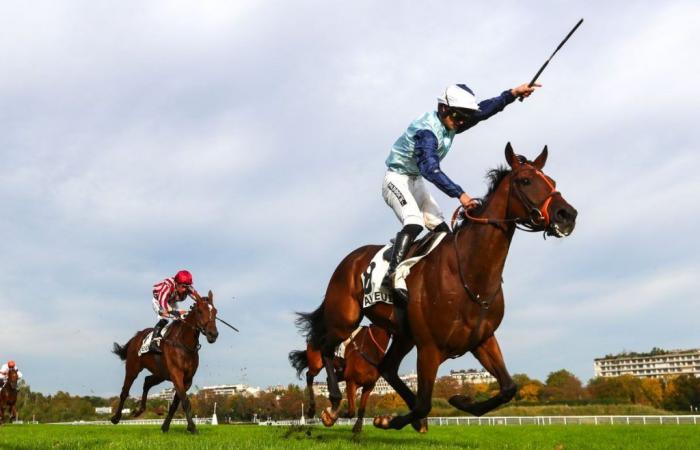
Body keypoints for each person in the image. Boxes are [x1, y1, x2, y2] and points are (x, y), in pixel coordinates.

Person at [381, 82, 539, 301]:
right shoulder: (426, 133)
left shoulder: (451, 119)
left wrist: (513, 93)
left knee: (443, 233)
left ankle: (417, 267)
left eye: (465, 117)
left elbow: (484, 111)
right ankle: (392, 275)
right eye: (459, 117)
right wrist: (461, 195)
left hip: (415, 181)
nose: (462, 122)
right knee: (414, 222)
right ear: (444, 108)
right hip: (396, 180)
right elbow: (430, 169)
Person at [149, 270, 199, 353]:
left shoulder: (187, 287)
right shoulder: (168, 286)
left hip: (171, 301)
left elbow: (198, 298)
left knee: (184, 315)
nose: (185, 289)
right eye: (183, 286)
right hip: (159, 301)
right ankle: (153, 342)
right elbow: (163, 302)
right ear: (176, 283)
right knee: (165, 318)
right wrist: (172, 311)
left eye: (187, 287)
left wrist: (205, 305)